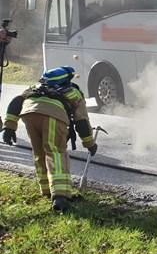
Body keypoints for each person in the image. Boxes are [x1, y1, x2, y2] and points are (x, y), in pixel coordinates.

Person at [2, 66, 98, 212]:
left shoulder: (36, 87)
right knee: (56, 153)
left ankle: (46, 190)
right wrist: (89, 143)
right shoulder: (73, 92)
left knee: (39, 153)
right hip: (53, 116)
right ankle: (60, 196)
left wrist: (9, 126)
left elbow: (16, 102)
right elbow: (81, 121)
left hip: (29, 114)